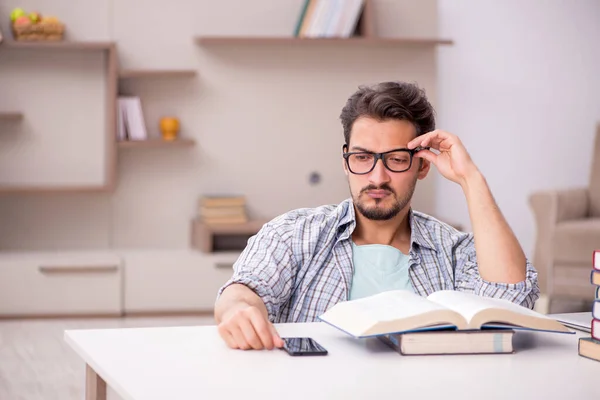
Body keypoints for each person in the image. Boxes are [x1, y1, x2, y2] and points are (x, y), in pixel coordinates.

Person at [214, 81, 540, 350]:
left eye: (396, 159)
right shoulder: (295, 233)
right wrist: (239, 310)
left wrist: (471, 180)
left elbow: (510, 302)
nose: (377, 177)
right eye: (362, 157)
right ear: (345, 162)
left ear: (423, 165)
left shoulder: (453, 250)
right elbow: (244, 290)